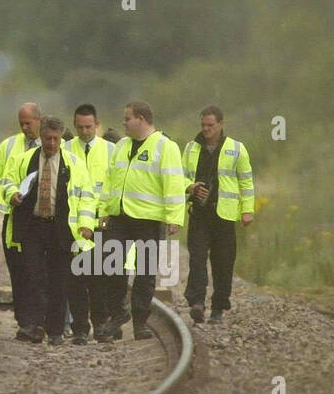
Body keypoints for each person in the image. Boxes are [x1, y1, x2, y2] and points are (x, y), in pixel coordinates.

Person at [0, 116, 94, 344]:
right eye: (47, 138)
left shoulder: (74, 164)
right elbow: (8, 181)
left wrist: (86, 224)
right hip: (32, 226)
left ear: (61, 139)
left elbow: (87, 196)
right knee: (33, 275)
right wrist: (11, 193)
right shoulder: (24, 160)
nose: (51, 144)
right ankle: (33, 325)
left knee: (58, 280)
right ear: (41, 137)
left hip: (60, 227)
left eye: (56, 139)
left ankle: (56, 330)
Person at [95, 101, 185, 342]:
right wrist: (104, 210)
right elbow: (110, 181)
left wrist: (174, 217)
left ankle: (140, 322)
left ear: (142, 119)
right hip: (119, 217)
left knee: (145, 273)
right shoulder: (122, 146)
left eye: (127, 118)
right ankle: (118, 314)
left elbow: (174, 183)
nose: (123, 122)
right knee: (110, 265)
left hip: (150, 220)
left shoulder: (166, 147)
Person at [182, 105, 255, 324]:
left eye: (210, 125)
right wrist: (191, 187)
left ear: (221, 124)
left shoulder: (236, 149)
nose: (206, 129)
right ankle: (197, 302)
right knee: (197, 259)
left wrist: (247, 210)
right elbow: (179, 177)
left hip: (224, 215)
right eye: (203, 125)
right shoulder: (191, 148)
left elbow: (246, 181)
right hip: (199, 213)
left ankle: (218, 307)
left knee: (223, 263)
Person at [0, 104, 41, 336]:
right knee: (18, 270)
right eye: (21, 123)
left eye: (29, 123)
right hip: (14, 220)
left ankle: (36, 321)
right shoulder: (9, 146)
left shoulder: (52, 145)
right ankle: (25, 322)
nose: (24, 127)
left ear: (39, 120)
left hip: (41, 221)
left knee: (37, 271)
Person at [64, 104, 115, 342]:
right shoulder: (65, 150)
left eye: (89, 126)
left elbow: (115, 187)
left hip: (101, 224)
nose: (85, 131)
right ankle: (80, 328)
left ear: (97, 124)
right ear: (74, 126)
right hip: (73, 226)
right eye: (80, 127)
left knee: (100, 278)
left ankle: (101, 325)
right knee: (75, 279)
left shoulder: (111, 151)